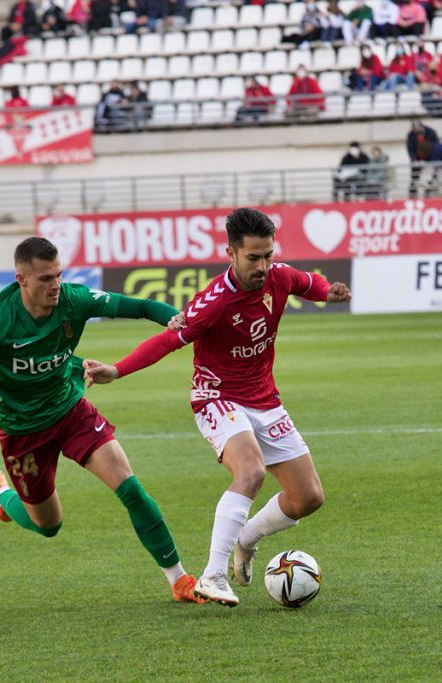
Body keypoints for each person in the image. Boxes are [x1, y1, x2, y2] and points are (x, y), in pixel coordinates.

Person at [0, 237, 206, 605]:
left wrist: (174, 318)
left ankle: (179, 579)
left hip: (70, 409)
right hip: (22, 431)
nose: (54, 285)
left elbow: (139, 305)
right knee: (49, 526)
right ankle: (3, 495)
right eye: (44, 279)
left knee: (130, 488)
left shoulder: (74, 299)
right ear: (20, 279)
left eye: (57, 275)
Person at [82, 208, 353, 606]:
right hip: (217, 397)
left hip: (265, 400)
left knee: (308, 497)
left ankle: (246, 537)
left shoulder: (277, 275)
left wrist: (327, 292)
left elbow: (308, 283)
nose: (263, 266)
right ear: (230, 252)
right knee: (251, 470)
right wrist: (117, 370)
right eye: (253, 258)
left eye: (268, 255)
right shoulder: (213, 302)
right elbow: (167, 341)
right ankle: (212, 575)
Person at [407, 119, 438, 198]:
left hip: (429, 157)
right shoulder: (411, 134)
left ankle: (428, 192)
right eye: (414, 129)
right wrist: (414, 159)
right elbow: (410, 148)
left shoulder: (431, 132)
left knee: (431, 176)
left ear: (421, 127)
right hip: (417, 158)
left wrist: (430, 157)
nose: (415, 130)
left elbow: (436, 145)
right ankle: (413, 194)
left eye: (417, 129)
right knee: (414, 176)